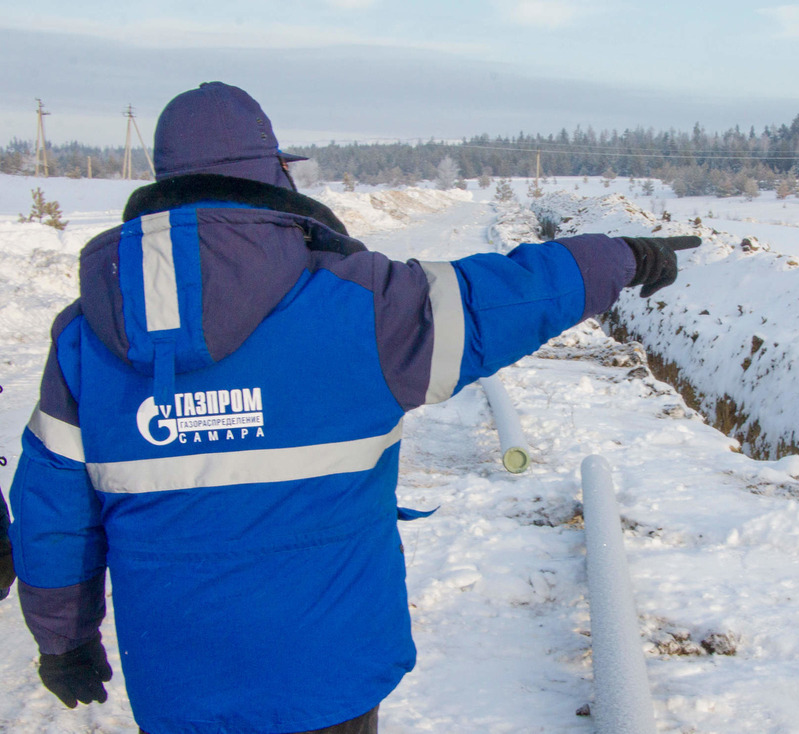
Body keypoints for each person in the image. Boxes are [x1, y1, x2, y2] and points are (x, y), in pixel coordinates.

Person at [10, 81, 699, 734]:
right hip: (329, 676)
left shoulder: (83, 336)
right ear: (273, 174)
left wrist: (63, 641)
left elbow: (52, 513)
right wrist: (620, 258)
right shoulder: (360, 304)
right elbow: (502, 299)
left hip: (179, 683)